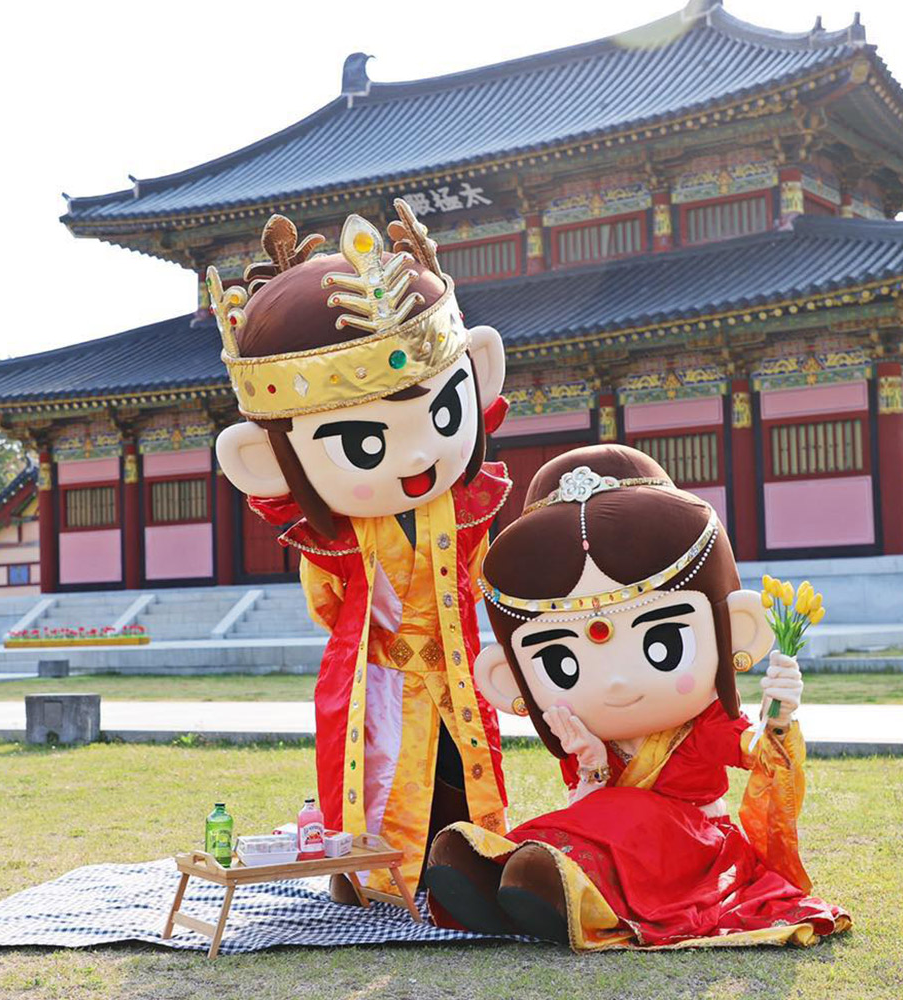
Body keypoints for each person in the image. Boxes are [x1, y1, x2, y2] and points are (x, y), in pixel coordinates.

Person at [425, 444, 850, 948]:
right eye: (562, 662)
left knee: (623, 820)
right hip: (615, 840)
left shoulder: (705, 726)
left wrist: (777, 719)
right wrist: (590, 763)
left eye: (663, 642)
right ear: (509, 679)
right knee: (576, 825)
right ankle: (496, 876)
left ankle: (551, 891)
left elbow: (760, 755)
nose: (616, 683)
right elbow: (587, 807)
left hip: (692, 848)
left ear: (736, 630)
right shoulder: (588, 733)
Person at [210, 201, 511, 897]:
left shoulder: (463, 510)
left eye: (442, 412)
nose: (417, 457)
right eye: (363, 442)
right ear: (265, 460)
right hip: (380, 676)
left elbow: (479, 574)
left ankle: (471, 858)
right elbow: (327, 600)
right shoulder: (342, 538)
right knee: (382, 774)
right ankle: (377, 871)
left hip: (455, 666)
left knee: (462, 769)